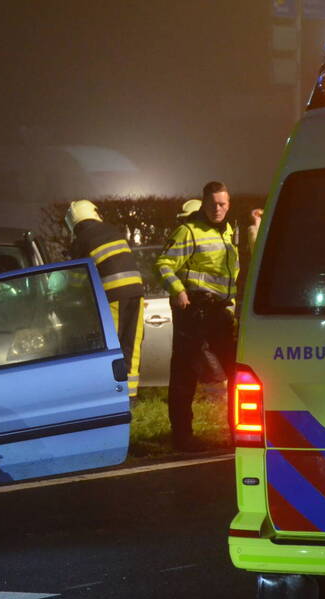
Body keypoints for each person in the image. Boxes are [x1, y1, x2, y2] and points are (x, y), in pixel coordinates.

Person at [155, 182, 240, 452]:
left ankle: (239, 434)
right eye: (213, 203)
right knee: (184, 376)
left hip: (220, 311)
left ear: (229, 204)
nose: (218, 209)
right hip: (194, 310)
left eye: (223, 204)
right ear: (204, 203)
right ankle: (182, 437)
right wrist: (178, 291)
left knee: (237, 373)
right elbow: (163, 264)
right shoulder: (188, 231)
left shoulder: (227, 232)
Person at [65, 200, 145, 398]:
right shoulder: (111, 230)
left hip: (112, 296)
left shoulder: (81, 240)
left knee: (113, 347)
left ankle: (114, 394)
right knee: (131, 345)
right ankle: (131, 395)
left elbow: (77, 279)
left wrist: (68, 296)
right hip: (136, 292)